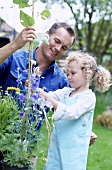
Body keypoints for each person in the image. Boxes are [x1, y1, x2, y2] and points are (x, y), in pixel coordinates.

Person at [0, 22, 97, 139]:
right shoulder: (14, 57)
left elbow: (71, 110)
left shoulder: (61, 80)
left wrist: (85, 131)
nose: (58, 49)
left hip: (23, 149)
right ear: (47, 35)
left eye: (64, 48)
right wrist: (15, 44)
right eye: (57, 41)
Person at [37, 51, 111, 170]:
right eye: (68, 73)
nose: (68, 76)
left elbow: (71, 112)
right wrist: (35, 91)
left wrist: (47, 97)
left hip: (73, 151)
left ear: (86, 74)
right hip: (57, 145)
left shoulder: (88, 97)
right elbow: (47, 98)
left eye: (73, 73)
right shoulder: (66, 92)